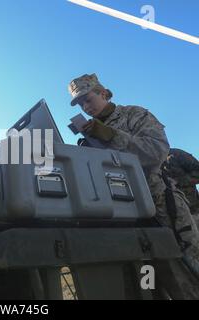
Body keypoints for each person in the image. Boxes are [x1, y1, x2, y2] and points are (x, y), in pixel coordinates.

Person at [68, 73, 199, 298]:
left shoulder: (134, 115)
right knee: (148, 285)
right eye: (80, 104)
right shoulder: (90, 134)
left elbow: (156, 151)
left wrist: (111, 135)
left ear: (102, 93)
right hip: (123, 217)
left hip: (161, 209)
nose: (85, 107)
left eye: (88, 99)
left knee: (184, 277)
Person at [163, 148, 199, 226]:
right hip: (170, 216)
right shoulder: (149, 161)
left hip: (192, 212)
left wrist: (179, 181)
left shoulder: (176, 154)